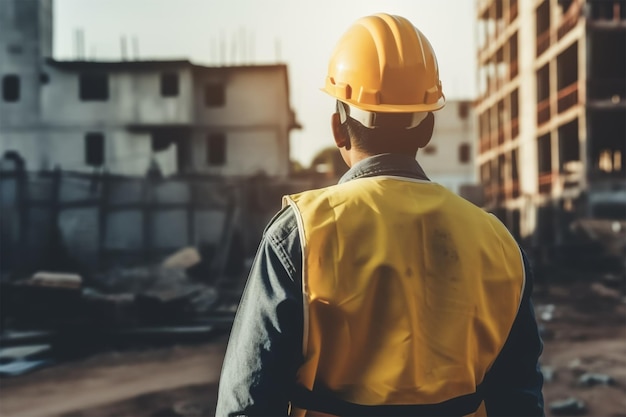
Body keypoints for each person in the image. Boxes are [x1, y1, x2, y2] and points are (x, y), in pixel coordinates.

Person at [216, 13, 544, 417]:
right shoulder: (499, 244)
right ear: (427, 129)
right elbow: (519, 400)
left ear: (338, 129)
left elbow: (247, 401)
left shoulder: (300, 234)